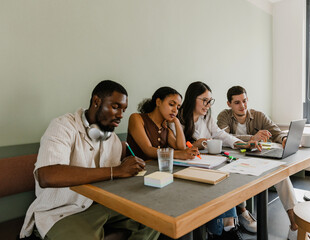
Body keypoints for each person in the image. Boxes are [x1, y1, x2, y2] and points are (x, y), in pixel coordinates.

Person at [20, 80, 159, 240]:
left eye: (124, 110)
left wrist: (129, 174)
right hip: (62, 212)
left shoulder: (111, 138)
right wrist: (117, 171)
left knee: (154, 220)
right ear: (96, 101)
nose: (121, 115)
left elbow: (111, 181)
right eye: (115, 107)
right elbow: (47, 175)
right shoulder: (63, 126)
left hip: (102, 206)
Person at [178, 81, 259, 240]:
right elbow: (179, 147)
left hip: (207, 163)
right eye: (204, 100)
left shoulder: (206, 117)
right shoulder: (179, 120)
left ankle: (229, 228)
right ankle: (221, 231)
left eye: (210, 101)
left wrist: (243, 144)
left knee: (227, 178)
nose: (208, 105)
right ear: (192, 98)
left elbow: (221, 135)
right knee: (219, 183)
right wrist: (195, 144)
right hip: (189, 166)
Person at [217, 85, 299, 239]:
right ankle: (242, 212)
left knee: (281, 175)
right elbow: (223, 137)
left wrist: (284, 139)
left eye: (244, 101)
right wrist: (251, 138)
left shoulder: (258, 115)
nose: (243, 106)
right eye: (237, 102)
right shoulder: (224, 116)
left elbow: (276, 131)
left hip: (257, 158)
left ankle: (294, 225)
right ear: (229, 104)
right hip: (233, 159)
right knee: (236, 177)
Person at [127, 86, 199, 160]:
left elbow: (181, 148)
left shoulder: (165, 127)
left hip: (158, 169)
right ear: (158, 102)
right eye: (171, 104)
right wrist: (179, 154)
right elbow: (148, 150)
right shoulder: (136, 118)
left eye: (178, 107)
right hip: (138, 169)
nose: (175, 110)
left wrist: (176, 122)